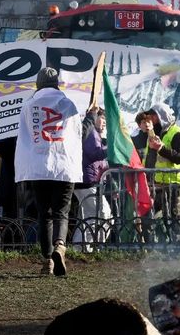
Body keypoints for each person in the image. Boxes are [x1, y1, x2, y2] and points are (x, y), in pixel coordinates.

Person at [15, 67, 82, 276]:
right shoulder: (68, 103)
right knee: (61, 212)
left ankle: (47, 261)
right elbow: (79, 133)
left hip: (38, 167)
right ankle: (60, 246)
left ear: (38, 84)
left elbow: (24, 137)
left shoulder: (29, 105)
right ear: (56, 84)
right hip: (63, 166)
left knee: (44, 214)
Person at [144, 102, 180, 243]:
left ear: (162, 116)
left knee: (176, 222)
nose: (152, 120)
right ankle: (154, 248)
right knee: (149, 217)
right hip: (159, 185)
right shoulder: (158, 134)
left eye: (154, 117)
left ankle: (178, 253)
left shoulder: (178, 134)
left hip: (176, 186)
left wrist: (161, 148)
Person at [72, 107, 111, 248]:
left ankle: (81, 247)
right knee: (99, 216)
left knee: (89, 217)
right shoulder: (91, 134)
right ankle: (84, 248)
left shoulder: (95, 134)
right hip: (88, 182)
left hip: (88, 181)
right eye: (102, 118)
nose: (104, 122)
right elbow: (95, 153)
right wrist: (111, 147)